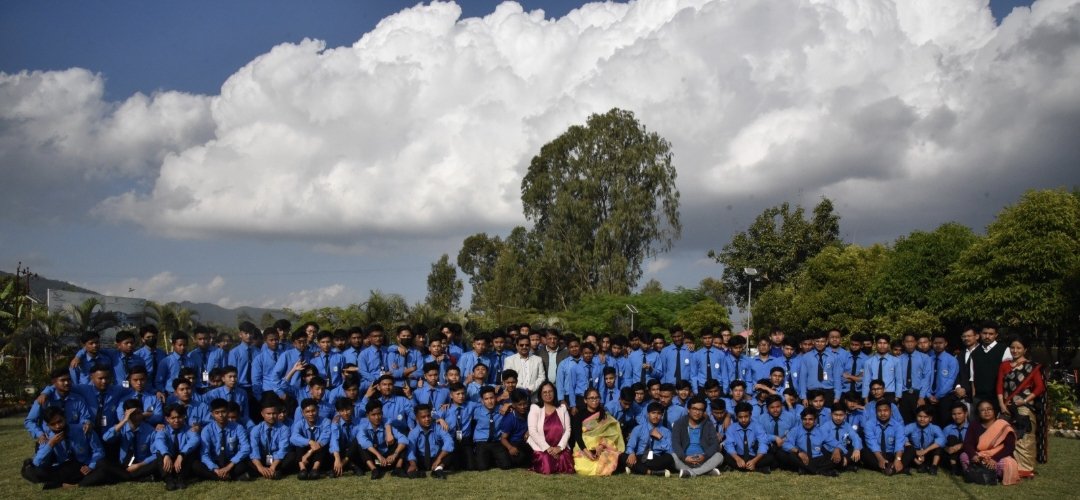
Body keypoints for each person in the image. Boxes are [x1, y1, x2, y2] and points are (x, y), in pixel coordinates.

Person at [23, 406, 112, 489]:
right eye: (53, 424)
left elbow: (99, 451)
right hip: (63, 467)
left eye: (59, 421)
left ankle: (61, 483)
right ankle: (64, 482)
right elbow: (37, 462)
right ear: (48, 425)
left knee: (103, 467)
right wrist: (50, 444)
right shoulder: (48, 437)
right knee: (33, 471)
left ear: (65, 418)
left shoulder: (83, 429)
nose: (57, 426)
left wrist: (90, 466)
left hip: (82, 465)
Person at [995, 336, 1045, 479]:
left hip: (1024, 407)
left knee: (1024, 436)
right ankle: (1008, 465)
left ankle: (1025, 468)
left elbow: (1039, 387)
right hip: (1006, 406)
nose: (1015, 350)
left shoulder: (1032, 367)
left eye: (1018, 348)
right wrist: (1001, 403)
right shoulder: (1004, 365)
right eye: (1012, 348)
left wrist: (1024, 401)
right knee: (1006, 436)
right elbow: (999, 385)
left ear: (1025, 350)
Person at [962, 400, 1019, 485]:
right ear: (978, 413)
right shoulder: (974, 425)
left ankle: (989, 474)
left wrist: (995, 459)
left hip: (999, 457)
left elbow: (1009, 447)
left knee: (1008, 463)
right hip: (981, 456)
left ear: (994, 411)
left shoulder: (1002, 425)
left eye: (989, 409)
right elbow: (968, 443)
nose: (986, 412)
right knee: (964, 456)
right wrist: (973, 455)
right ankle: (980, 473)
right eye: (983, 410)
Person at [194, 398, 252, 481]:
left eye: (223, 412)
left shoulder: (238, 427)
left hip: (231, 461)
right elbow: (204, 454)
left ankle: (217, 477)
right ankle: (227, 477)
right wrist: (215, 469)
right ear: (212, 414)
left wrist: (229, 466)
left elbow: (246, 448)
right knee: (196, 465)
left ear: (228, 412)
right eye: (217, 413)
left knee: (244, 463)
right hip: (215, 460)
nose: (221, 415)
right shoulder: (207, 430)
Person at [102, 398, 159, 482]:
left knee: (157, 462)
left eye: (139, 413)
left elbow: (155, 454)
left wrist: (138, 465)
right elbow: (106, 438)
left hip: (141, 465)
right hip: (124, 465)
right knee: (103, 464)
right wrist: (124, 420)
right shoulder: (121, 428)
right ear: (126, 413)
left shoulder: (150, 430)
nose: (137, 417)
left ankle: (129, 477)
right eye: (133, 414)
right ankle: (137, 477)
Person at [571, 388, 624, 476]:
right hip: (584, 447)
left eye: (597, 398)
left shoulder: (604, 414)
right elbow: (577, 436)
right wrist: (587, 452)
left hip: (602, 446)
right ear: (585, 400)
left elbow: (610, 433)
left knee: (608, 458)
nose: (594, 400)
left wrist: (601, 446)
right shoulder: (579, 415)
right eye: (591, 398)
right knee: (583, 469)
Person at [670, 396, 723, 477]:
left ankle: (691, 473)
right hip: (685, 460)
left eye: (700, 410)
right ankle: (705, 471)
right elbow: (675, 443)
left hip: (703, 459)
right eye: (694, 409)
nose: (697, 412)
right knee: (672, 456)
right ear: (688, 410)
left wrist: (704, 456)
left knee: (719, 456)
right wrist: (685, 457)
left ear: (704, 412)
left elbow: (715, 444)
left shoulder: (708, 424)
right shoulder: (679, 423)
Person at [527, 381, 574, 474]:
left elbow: (568, 430)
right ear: (540, 394)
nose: (548, 394)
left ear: (554, 392)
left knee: (566, 465)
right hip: (542, 448)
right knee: (547, 467)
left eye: (550, 391)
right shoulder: (535, 408)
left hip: (559, 448)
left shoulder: (562, 408)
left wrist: (559, 448)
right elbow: (532, 431)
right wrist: (548, 448)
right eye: (545, 392)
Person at [780, 409, 840, 476]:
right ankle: (820, 471)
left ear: (815, 420)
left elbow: (835, 443)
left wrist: (837, 449)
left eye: (810, 419)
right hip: (802, 458)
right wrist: (798, 452)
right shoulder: (796, 430)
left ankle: (807, 470)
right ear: (801, 420)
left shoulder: (821, 431)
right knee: (790, 455)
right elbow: (785, 443)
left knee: (839, 455)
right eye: (805, 419)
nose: (807, 422)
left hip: (817, 459)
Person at [357, 399, 407, 480]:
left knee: (402, 444)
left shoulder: (386, 423)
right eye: (373, 415)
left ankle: (398, 468)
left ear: (382, 413)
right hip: (374, 457)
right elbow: (363, 441)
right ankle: (374, 469)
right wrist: (378, 455)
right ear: (367, 415)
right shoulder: (363, 425)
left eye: (379, 414)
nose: (377, 417)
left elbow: (403, 439)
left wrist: (395, 454)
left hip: (388, 456)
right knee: (360, 444)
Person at [621, 402, 676, 476]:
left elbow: (670, 450)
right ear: (648, 414)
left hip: (656, 458)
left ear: (662, 415)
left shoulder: (666, 431)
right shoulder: (638, 428)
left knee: (669, 458)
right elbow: (630, 446)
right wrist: (632, 453)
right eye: (653, 413)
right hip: (640, 456)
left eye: (659, 413)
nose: (656, 416)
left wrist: (660, 437)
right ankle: (651, 472)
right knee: (623, 456)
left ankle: (636, 468)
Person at [154, 403, 200, 490]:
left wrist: (181, 454)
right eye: (173, 418)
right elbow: (159, 441)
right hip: (169, 459)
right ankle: (168, 479)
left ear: (184, 417)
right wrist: (166, 454)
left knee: (190, 452)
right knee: (160, 452)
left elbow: (195, 439)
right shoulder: (163, 429)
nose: (177, 420)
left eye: (179, 417)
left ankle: (181, 478)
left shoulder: (189, 429)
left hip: (182, 461)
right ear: (167, 419)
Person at [249, 398, 295, 480]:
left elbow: (282, 449)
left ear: (277, 413)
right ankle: (264, 471)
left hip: (277, 459)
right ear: (262, 414)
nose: (271, 416)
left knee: (292, 455)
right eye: (268, 414)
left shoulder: (284, 429)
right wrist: (260, 467)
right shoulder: (256, 429)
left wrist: (273, 467)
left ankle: (273, 471)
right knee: (248, 459)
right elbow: (254, 449)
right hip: (262, 458)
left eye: (274, 413)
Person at [722, 402, 773, 473]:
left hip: (753, 456)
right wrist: (737, 459)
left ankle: (741, 467)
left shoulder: (757, 426)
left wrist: (754, 461)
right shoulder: (731, 428)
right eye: (740, 417)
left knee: (770, 457)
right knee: (726, 456)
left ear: (750, 415)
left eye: (746, 416)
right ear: (736, 416)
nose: (743, 420)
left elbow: (763, 443)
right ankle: (758, 469)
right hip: (739, 455)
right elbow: (729, 445)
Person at [406, 404, 453, 479]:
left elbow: (449, 442)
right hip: (421, 459)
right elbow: (411, 451)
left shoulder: (438, 428)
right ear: (417, 419)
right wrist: (413, 464)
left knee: (451, 449)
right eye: (423, 417)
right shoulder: (413, 433)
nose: (427, 419)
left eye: (428, 416)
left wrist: (439, 459)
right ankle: (417, 471)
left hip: (436, 458)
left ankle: (438, 470)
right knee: (408, 458)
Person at [861, 400, 907, 475]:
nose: (882, 413)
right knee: (863, 452)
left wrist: (898, 459)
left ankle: (892, 466)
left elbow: (899, 444)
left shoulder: (898, 425)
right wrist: (880, 458)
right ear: (876, 412)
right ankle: (891, 468)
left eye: (885, 410)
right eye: (879, 411)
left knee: (910, 449)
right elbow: (872, 443)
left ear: (891, 412)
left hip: (892, 454)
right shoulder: (869, 424)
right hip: (876, 454)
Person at [290, 397, 331, 479]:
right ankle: (302, 469)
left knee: (321, 445)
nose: (311, 414)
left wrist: (309, 452)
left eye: (313, 410)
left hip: (317, 455)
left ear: (318, 410)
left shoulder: (326, 421)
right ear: (302, 413)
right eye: (307, 412)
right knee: (299, 444)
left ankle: (315, 469)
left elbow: (324, 439)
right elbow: (293, 438)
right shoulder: (299, 424)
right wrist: (309, 442)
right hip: (303, 456)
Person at [904, 405, 945, 474]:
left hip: (928, 452)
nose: (922, 419)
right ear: (916, 416)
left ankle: (934, 466)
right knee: (904, 447)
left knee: (938, 447)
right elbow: (901, 436)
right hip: (915, 452)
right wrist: (913, 450)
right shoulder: (911, 426)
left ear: (930, 418)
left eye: (925, 417)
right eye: (920, 416)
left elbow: (942, 439)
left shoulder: (934, 428)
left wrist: (925, 451)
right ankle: (919, 465)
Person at [498, 390, 532, 469]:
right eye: (520, 404)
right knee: (520, 458)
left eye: (525, 404)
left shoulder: (529, 413)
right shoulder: (510, 419)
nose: (523, 407)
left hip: (526, 442)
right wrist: (510, 448)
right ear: (513, 405)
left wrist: (529, 431)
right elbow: (503, 438)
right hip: (514, 443)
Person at [942, 402, 970, 475]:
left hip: (966, 455)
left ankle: (959, 467)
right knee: (952, 438)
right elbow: (941, 444)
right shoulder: (947, 429)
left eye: (959, 414)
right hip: (950, 457)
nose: (957, 417)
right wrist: (947, 449)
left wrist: (961, 445)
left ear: (965, 414)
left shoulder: (971, 428)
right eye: (954, 414)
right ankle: (954, 467)